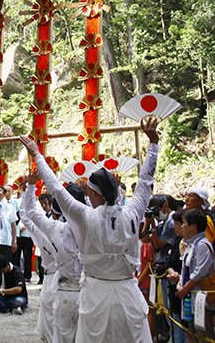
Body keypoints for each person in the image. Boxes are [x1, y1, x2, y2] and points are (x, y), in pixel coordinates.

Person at [23, 115, 162, 343]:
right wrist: (153, 143)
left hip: (96, 294)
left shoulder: (85, 217)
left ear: (94, 193)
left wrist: (37, 155)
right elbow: (146, 181)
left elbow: (56, 189)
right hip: (128, 292)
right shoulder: (133, 212)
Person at [17, 173, 82, 343]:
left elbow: (27, 214)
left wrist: (30, 187)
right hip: (85, 285)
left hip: (57, 281)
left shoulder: (52, 229)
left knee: (56, 330)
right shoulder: (90, 226)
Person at [167, 209, 215, 343]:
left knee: (205, 334)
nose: (182, 226)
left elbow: (200, 272)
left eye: (184, 223)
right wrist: (180, 284)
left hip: (201, 297)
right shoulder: (191, 244)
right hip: (190, 296)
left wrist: (185, 288)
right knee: (191, 331)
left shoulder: (203, 245)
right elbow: (186, 269)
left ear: (193, 226)